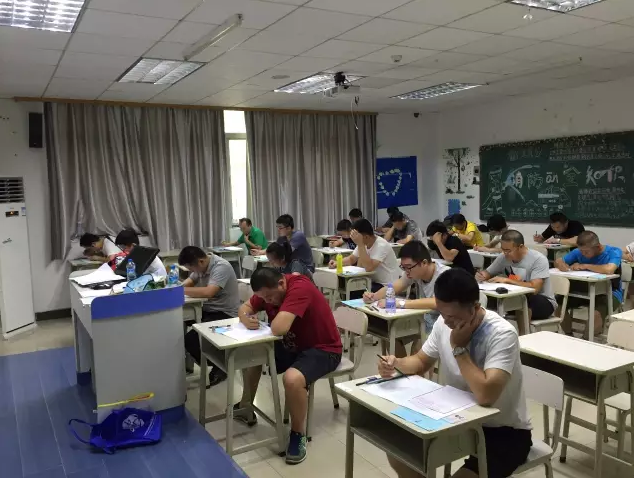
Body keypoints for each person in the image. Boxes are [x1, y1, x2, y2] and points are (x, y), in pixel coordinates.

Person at [378, 268, 532, 478]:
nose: (446, 321)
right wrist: (396, 364)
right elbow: (421, 361)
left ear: (475, 308)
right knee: (399, 451)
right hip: (457, 420)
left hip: (502, 431)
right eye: (442, 313)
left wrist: (459, 348)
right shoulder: (444, 322)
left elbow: (486, 396)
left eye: (452, 316)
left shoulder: (501, 334)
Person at [236, 269, 342, 464]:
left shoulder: (299, 287)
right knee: (254, 353)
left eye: (269, 297)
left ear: (281, 284)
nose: (267, 302)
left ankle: (298, 434)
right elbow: (245, 307)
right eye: (263, 298)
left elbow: (279, 328)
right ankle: (246, 406)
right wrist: (245, 318)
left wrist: (260, 314)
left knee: (292, 379)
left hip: (323, 349)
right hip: (293, 344)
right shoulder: (269, 288)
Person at [364, 241, 449, 357]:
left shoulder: (444, 275)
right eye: (403, 268)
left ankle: (411, 367)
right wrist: (373, 296)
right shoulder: (414, 271)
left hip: (445, 322)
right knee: (392, 336)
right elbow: (396, 286)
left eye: (408, 267)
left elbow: (436, 302)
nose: (406, 271)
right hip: (424, 318)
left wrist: (400, 303)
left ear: (424, 263)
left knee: (418, 348)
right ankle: (402, 367)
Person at [179, 246, 240, 387]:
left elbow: (209, 292)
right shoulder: (201, 266)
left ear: (200, 261)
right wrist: (179, 287)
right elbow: (190, 281)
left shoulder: (221, 267)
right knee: (177, 324)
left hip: (225, 313)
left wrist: (181, 290)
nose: (192, 272)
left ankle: (222, 365)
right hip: (207, 309)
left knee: (192, 340)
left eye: (191, 268)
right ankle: (191, 364)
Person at [476, 230, 556, 335]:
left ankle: (523, 337)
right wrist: (482, 275)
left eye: (508, 250)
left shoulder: (538, 259)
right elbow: (487, 273)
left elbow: (535, 288)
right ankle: (489, 336)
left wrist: (508, 280)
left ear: (520, 247)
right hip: (515, 298)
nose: (505, 253)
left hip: (543, 301)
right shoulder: (503, 257)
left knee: (524, 301)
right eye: (503, 250)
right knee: (485, 300)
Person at [554, 231, 622, 338]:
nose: (582, 254)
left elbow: (609, 269)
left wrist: (585, 266)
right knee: (557, 305)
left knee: (596, 314)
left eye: (586, 252)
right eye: (581, 251)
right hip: (583, 291)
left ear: (598, 247)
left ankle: (586, 340)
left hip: (610, 292)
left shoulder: (613, 252)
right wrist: (562, 265)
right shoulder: (579, 252)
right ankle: (568, 335)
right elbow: (558, 261)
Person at [329, 218, 399, 292]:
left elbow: (369, 268)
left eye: (357, 237)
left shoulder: (381, 245)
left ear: (366, 237)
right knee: (349, 287)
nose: (354, 239)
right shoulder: (363, 243)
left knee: (356, 290)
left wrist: (360, 244)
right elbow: (351, 259)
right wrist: (337, 263)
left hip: (386, 285)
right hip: (371, 281)